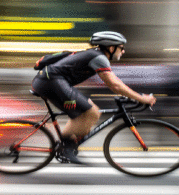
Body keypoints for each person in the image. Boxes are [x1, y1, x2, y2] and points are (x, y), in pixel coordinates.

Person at [31, 31, 156, 164]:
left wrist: (135, 96)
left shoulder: (94, 55)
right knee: (90, 112)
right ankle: (67, 149)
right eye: (121, 47)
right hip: (51, 82)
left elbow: (115, 84)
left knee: (90, 113)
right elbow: (115, 86)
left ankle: (68, 144)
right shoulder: (99, 57)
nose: (123, 51)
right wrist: (141, 98)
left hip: (51, 82)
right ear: (111, 48)